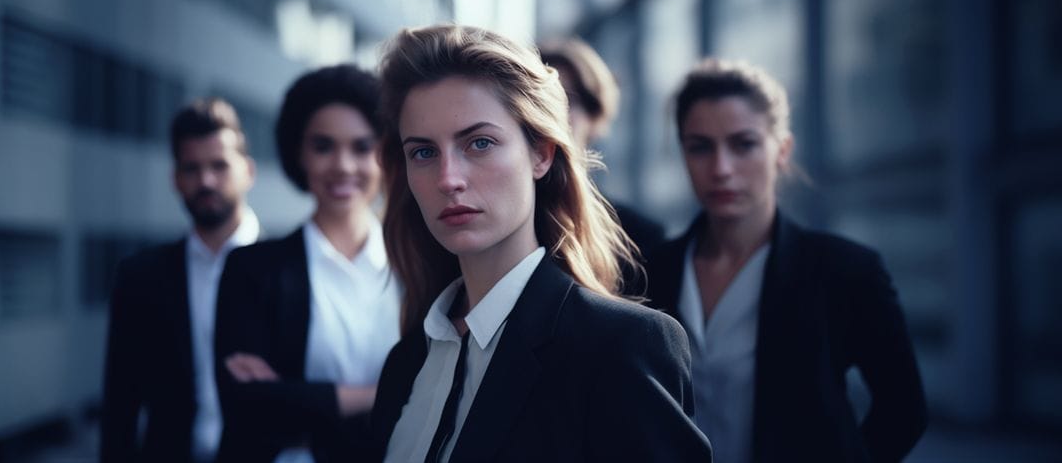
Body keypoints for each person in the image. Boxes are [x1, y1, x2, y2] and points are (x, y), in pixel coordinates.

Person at [370, 24, 711, 463]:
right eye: (423, 152)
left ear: (541, 154)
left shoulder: (620, 347)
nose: (448, 179)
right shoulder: (406, 362)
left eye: (479, 143)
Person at [645, 58, 928, 463]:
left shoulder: (844, 272)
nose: (721, 169)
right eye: (700, 147)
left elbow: (904, 411)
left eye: (744, 144)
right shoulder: (651, 271)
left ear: (782, 150)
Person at [213, 65, 400, 462]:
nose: (344, 165)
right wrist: (383, 394)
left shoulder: (416, 267)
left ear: (384, 154)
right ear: (298, 153)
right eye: (323, 146)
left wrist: (294, 396)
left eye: (362, 147)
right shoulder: (252, 269)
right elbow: (247, 406)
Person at [100, 98, 260, 463]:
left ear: (248, 171)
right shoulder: (139, 277)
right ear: (176, 179)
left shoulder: (287, 267)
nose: (205, 180)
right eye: (192, 168)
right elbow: (120, 403)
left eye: (219, 166)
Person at [539, 38, 665, 281]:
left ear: (595, 118)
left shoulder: (639, 238)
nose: (552, 115)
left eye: (568, 100)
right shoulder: (498, 223)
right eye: (543, 102)